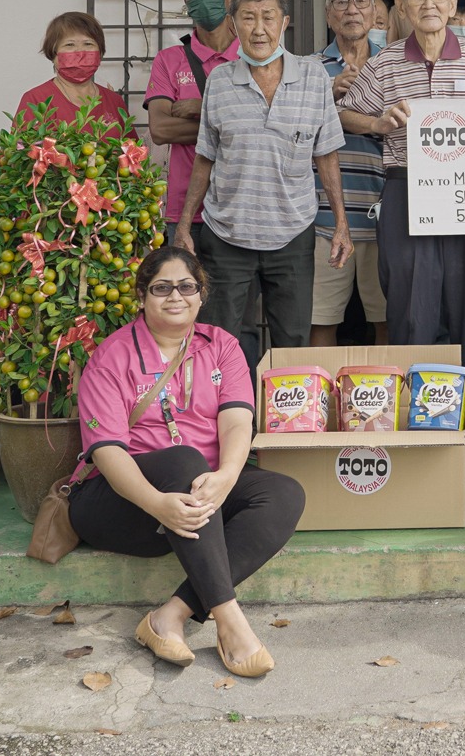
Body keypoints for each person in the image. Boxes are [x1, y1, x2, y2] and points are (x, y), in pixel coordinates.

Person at [69, 245, 302, 679]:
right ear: (141, 296)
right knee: (183, 460)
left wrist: (228, 476)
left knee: (283, 493)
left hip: (194, 503)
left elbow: (236, 422)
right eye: (161, 288)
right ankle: (230, 622)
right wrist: (157, 504)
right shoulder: (111, 357)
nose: (175, 296)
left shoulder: (222, 346)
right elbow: (108, 452)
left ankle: (169, 616)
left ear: (201, 293)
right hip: (121, 504)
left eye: (186, 286)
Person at [172, 0, 350, 364]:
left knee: (293, 340)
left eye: (268, 17)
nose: (259, 29)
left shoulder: (313, 77)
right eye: (248, 18)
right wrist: (186, 224)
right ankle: (232, 420)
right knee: (220, 342)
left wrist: (341, 224)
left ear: (284, 22)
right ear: (234, 25)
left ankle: (289, 422)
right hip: (227, 234)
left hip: (293, 233)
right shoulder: (220, 81)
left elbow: (327, 155)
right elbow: (205, 157)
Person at [338, 0, 465, 363]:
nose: (428, 3)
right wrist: (377, 122)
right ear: (401, 7)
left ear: (452, 5)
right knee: (411, 311)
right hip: (406, 190)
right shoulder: (385, 62)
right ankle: (415, 422)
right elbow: (343, 113)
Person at [313, 0, 389, 347]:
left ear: (375, 12)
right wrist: (327, 95)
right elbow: (291, 128)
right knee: (321, 321)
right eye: (340, 2)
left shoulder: (394, 65)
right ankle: (311, 406)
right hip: (323, 217)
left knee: (387, 320)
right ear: (328, 15)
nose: (351, 9)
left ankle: (391, 404)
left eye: (361, 1)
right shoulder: (308, 69)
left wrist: (363, 113)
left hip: (384, 214)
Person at [144, 0, 241, 228]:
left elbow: (265, 122)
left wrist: (201, 107)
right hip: (185, 209)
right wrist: (235, 121)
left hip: (241, 209)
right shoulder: (168, 59)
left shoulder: (252, 56)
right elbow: (161, 130)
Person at [18, 11, 129, 128]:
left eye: (88, 44)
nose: (80, 52)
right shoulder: (36, 99)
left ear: (100, 52)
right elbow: (24, 145)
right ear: (53, 53)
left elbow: (131, 145)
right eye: (69, 45)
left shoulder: (114, 101)